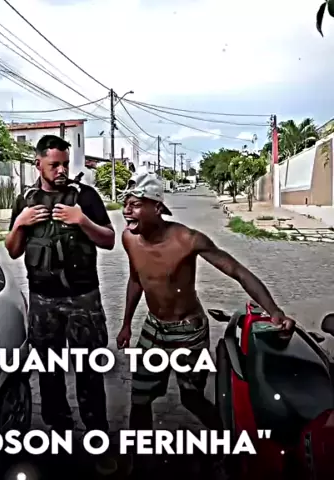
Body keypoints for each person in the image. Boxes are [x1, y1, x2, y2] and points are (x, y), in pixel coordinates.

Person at [116, 173, 295, 440]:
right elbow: (135, 279)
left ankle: (226, 445)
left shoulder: (187, 240)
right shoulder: (129, 239)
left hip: (189, 331)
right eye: (125, 204)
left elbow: (237, 271)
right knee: (140, 399)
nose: (127, 210)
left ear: (158, 207)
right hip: (153, 329)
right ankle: (138, 455)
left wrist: (274, 311)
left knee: (191, 398)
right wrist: (126, 324)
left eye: (136, 204)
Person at [5, 135, 117, 474]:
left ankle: (97, 439)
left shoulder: (85, 197)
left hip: (83, 298)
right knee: (49, 372)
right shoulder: (26, 201)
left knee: (89, 372)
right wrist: (21, 223)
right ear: (38, 163)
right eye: (54, 164)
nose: (61, 170)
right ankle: (60, 433)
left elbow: (109, 240)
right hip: (43, 301)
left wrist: (82, 220)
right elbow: (13, 250)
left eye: (65, 164)